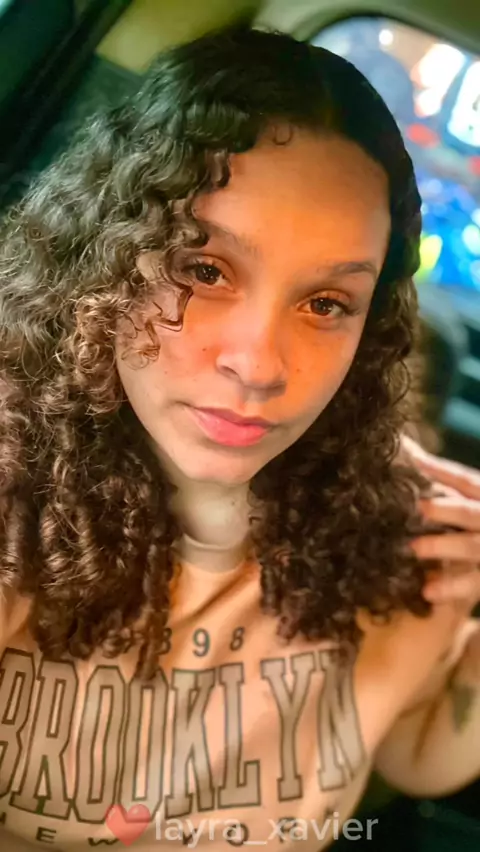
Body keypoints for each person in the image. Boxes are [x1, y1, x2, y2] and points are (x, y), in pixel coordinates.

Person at [0, 24, 478, 851]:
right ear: (105, 258)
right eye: (204, 268)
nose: (258, 365)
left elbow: (416, 755)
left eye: (325, 304)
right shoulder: (19, 475)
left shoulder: (411, 522)